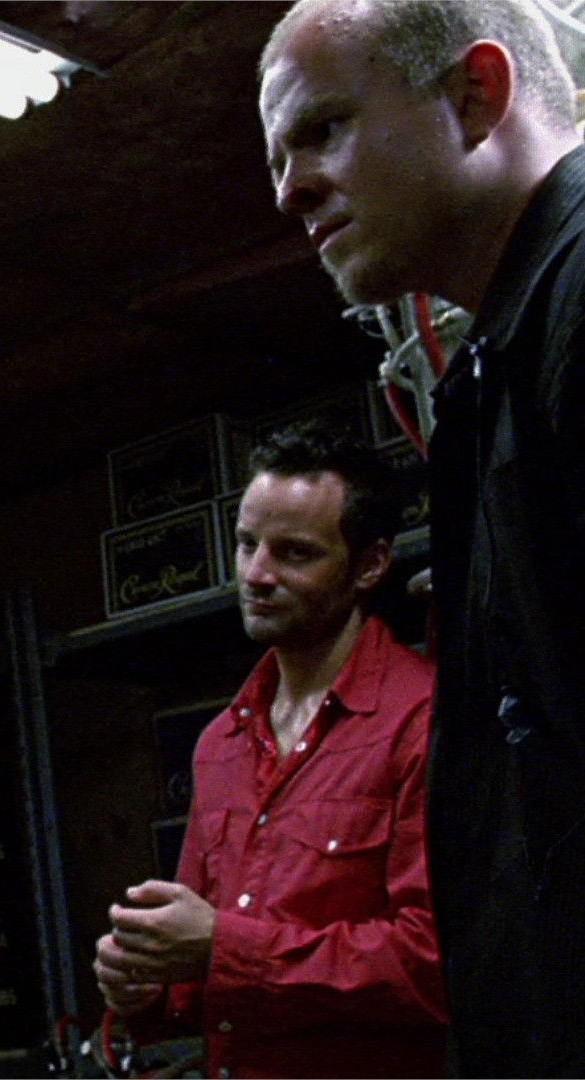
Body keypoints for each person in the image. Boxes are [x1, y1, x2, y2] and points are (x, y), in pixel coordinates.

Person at [259, 1, 585, 1071]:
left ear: (476, 95)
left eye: (323, 130)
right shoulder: (501, 367)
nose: (288, 189)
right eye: (278, 158)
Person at [92, 425, 446, 1077]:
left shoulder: (422, 719)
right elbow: (204, 988)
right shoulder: (221, 743)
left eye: (295, 553)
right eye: (246, 544)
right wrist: (147, 988)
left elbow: (437, 965)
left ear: (370, 564)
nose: (256, 575)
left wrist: (222, 947)